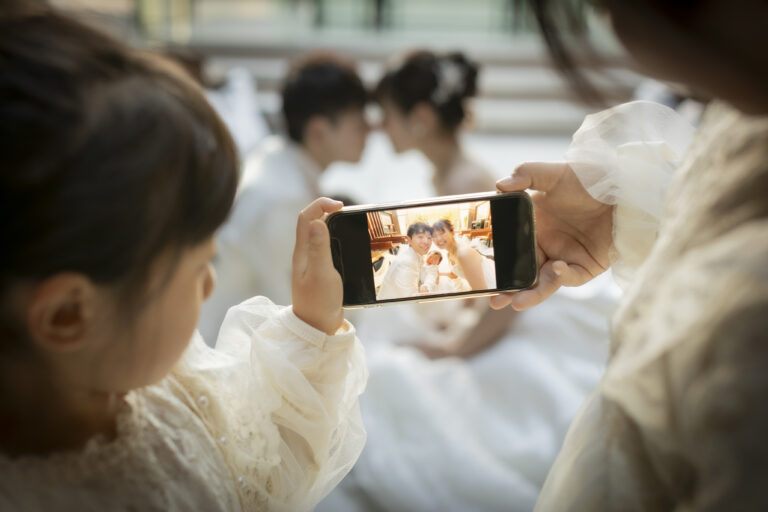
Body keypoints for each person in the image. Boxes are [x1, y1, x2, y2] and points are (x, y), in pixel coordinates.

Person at [0, 8, 367, 511]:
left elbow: (263, 472)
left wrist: (312, 323)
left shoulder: (163, 383)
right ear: (69, 314)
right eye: (198, 268)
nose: (210, 284)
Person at [490, 1, 768, 509]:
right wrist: (632, 208)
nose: (618, 31)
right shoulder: (746, 117)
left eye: (607, 6)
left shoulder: (751, 321)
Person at [198, 52, 370, 344]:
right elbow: (303, 315)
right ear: (318, 131)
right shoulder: (282, 201)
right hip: (236, 348)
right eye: (359, 123)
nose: (370, 130)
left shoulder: (276, 160)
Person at [376, 50, 497, 196]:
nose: (380, 127)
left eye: (386, 116)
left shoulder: (463, 184)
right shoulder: (446, 175)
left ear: (422, 117)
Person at [431, 219, 495, 292]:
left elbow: (481, 292)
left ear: (452, 232)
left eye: (442, 233)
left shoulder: (464, 253)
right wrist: (438, 273)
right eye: (434, 236)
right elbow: (454, 274)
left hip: (492, 289)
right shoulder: (449, 255)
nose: (439, 239)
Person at [377, 222, 433, 300]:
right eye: (420, 237)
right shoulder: (407, 263)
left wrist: (426, 285)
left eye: (429, 238)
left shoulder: (417, 253)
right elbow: (411, 300)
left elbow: (426, 274)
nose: (426, 242)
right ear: (409, 240)